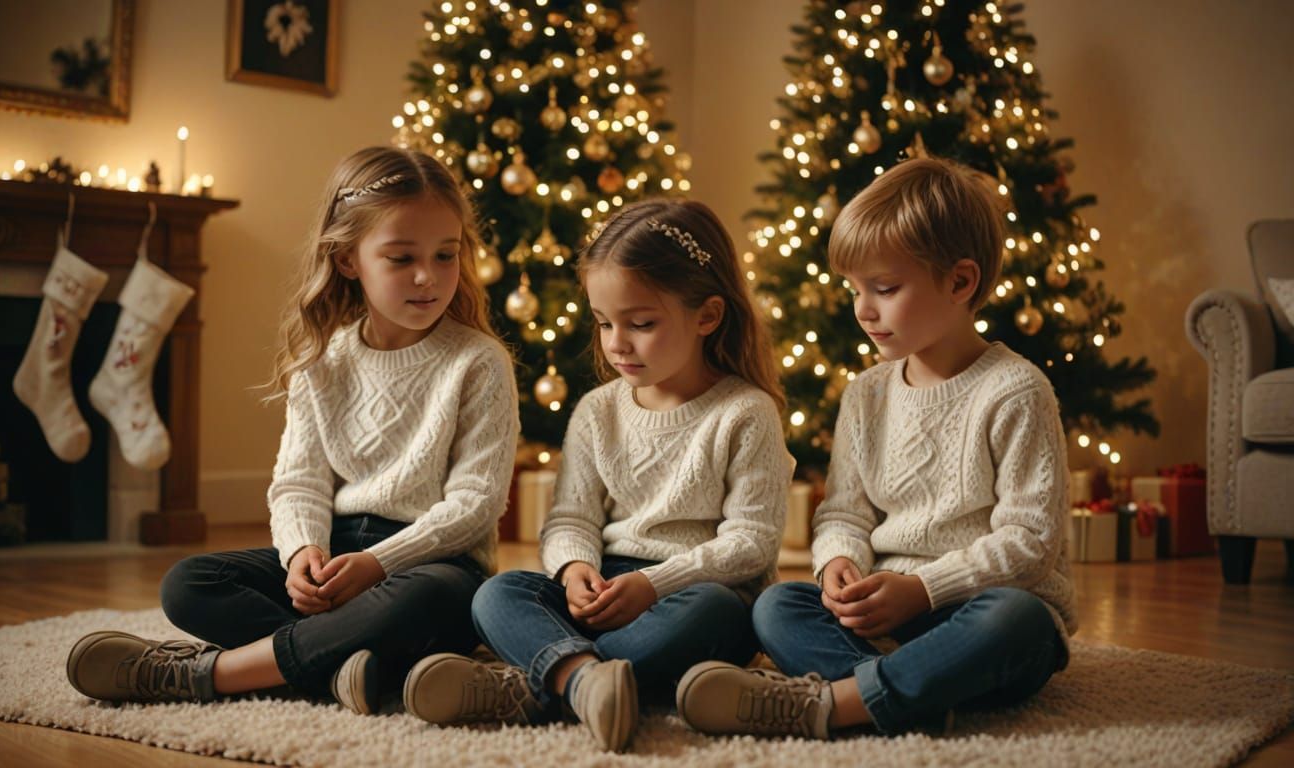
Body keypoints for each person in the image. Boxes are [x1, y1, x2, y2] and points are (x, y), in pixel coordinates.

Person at [66, 146, 518, 716]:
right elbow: (298, 483)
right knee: (188, 582)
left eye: (446, 255)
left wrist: (379, 565)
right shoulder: (323, 360)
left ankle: (213, 674)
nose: (428, 276)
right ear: (349, 259)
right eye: (401, 258)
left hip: (435, 568)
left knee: (428, 597)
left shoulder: (479, 361)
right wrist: (303, 552)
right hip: (338, 552)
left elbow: (476, 504)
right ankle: (346, 670)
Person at [677, 157, 1076, 739]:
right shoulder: (867, 394)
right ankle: (901, 693)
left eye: (885, 289)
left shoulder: (1016, 390)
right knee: (774, 606)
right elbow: (845, 513)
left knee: (1019, 622)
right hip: (884, 614)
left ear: (961, 282)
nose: (864, 309)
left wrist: (923, 590)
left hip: (978, 607)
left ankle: (835, 704)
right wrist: (839, 565)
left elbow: (1030, 543)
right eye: (855, 289)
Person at [403, 199, 794, 751]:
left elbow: (751, 543)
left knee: (715, 613)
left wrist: (652, 585)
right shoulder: (598, 410)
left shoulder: (745, 412)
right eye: (605, 322)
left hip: (693, 592)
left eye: (641, 324)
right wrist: (574, 568)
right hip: (604, 590)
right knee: (499, 592)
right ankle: (587, 680)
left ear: (707, 316)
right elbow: (570, 518)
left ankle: (535, 684)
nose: (616, 343)